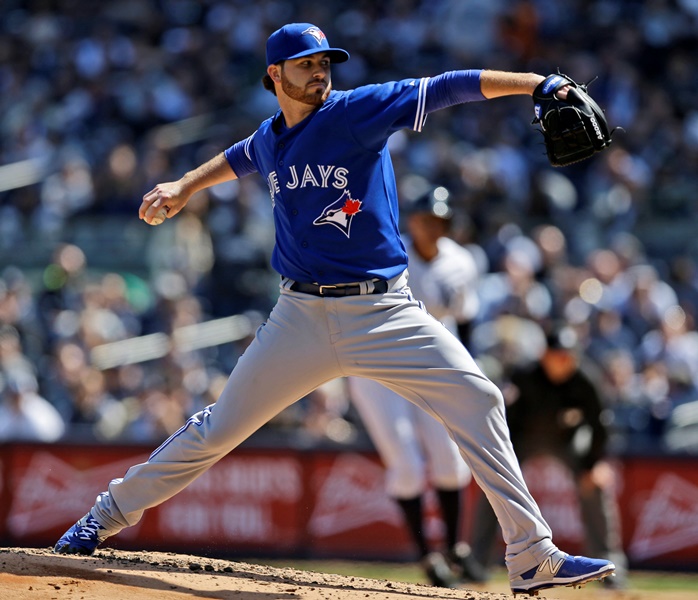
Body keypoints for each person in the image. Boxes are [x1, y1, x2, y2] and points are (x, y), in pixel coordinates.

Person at [54, 23, 615, 595]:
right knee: (218, 428)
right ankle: (105, 514)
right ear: (274, 75)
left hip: (385, 312)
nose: (320, 70)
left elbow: (450, 86)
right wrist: (184, 186)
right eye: (305, 63)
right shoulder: (272, 137)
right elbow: (239, 157)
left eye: (325, 60)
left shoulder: (357, 111)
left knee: (479, 397)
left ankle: (530, 554)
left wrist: (537, 83)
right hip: (299, 316)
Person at [348, 185, 485, 587]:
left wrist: (466, 376)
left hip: (427, 368)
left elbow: (466, 323)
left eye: (439, 220)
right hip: (377, 371)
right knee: (407, 466)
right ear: (412, 221)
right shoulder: (387, 250)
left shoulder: (461, 262)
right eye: (426, 219)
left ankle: (456, 550)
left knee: (451, 462)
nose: (432, 227)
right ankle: (429, 558)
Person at [471, 323, 628, 589]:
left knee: (595, 484)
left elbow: (600, 426)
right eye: (557, 354)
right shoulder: (524, 376)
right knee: (494, 486)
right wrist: (497, 463)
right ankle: (475, 564)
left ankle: (610, 566)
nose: (563, 360)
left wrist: (595, 463)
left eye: (568, 355)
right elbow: (504, 420)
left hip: (567, 441)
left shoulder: (585, 379)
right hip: (523, 439)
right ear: (544, 355)